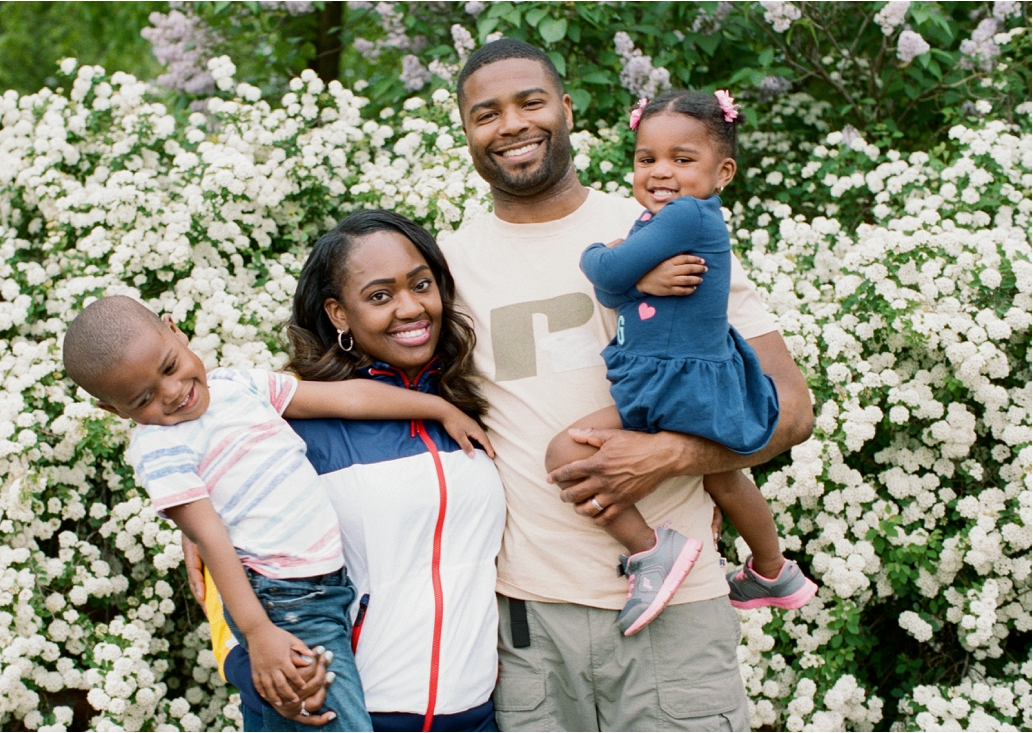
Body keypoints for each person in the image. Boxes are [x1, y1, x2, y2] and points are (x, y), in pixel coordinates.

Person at [439, 39, 815, 730]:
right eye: (486, 113)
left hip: (677, 618)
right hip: (527, 620)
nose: (512, 124)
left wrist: (669, 456)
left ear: (567, 109)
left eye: (531, 101)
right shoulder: (448, 266)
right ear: (465, 131)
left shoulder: (661, 223)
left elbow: (790, 409)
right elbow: (359, 386)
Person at [62, 294, 493, 732]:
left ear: (175, 330)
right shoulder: (159, 448)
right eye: (144, 398)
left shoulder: (238, 386)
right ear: (113, 410)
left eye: (170, 367)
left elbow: (346, 399)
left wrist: (439, 408)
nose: (173, 393)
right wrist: (258, 633)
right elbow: (211, 540)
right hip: (282, 602)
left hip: (325, 591)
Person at [187, 210, 507, 732]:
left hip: (471, 714)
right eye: (380, 296)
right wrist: (264, 679)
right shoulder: (283, 432)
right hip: (345, 714)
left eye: (421, 285)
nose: (411, 308)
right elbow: (224, 574)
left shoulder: (473, 400)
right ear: (338, 313)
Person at [546, 90, 818, 637]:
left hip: (671, 380)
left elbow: (603, 270)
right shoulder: (666, 222)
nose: (660, 171)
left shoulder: (686, 216)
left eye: (682, 159)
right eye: (646, 159)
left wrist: (604, 258)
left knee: (564, 450)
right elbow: (619, 294)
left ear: (724, 172)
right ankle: (773, 570)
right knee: (723, 478)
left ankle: (653, 551)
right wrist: (637, 279)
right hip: (686, 376)